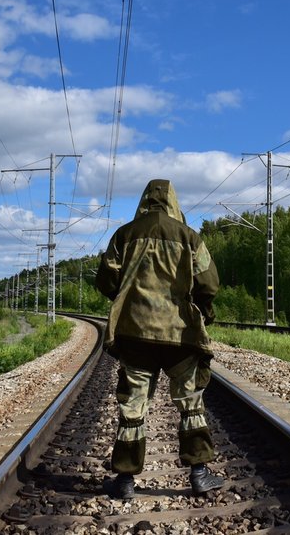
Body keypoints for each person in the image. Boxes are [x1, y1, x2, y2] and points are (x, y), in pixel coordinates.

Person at [95, 179, 223, 499]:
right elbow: (209, 283)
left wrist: (125, 299)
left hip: (135, 334)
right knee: (190, 403)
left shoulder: (123, 235)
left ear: (144, 200)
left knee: (133, 406)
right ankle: (199, 474)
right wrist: (201, 308)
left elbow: (105, 279)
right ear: (173, 201)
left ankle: (125, 481)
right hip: (180, 336)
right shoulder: (189, 237)